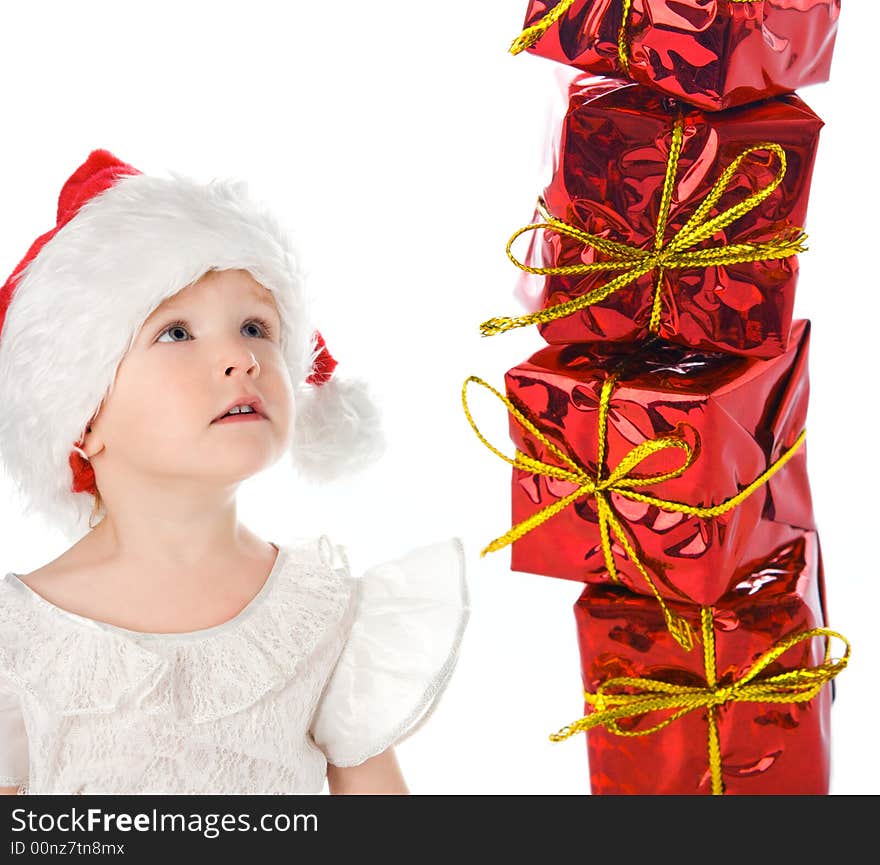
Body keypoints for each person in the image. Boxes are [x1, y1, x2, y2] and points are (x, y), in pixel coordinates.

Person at [0, 150, 468, 795]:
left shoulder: (325, 613)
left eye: (256, 327)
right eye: (175, 333)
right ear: (82, 419)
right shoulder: (19, 640)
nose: (242, 358)